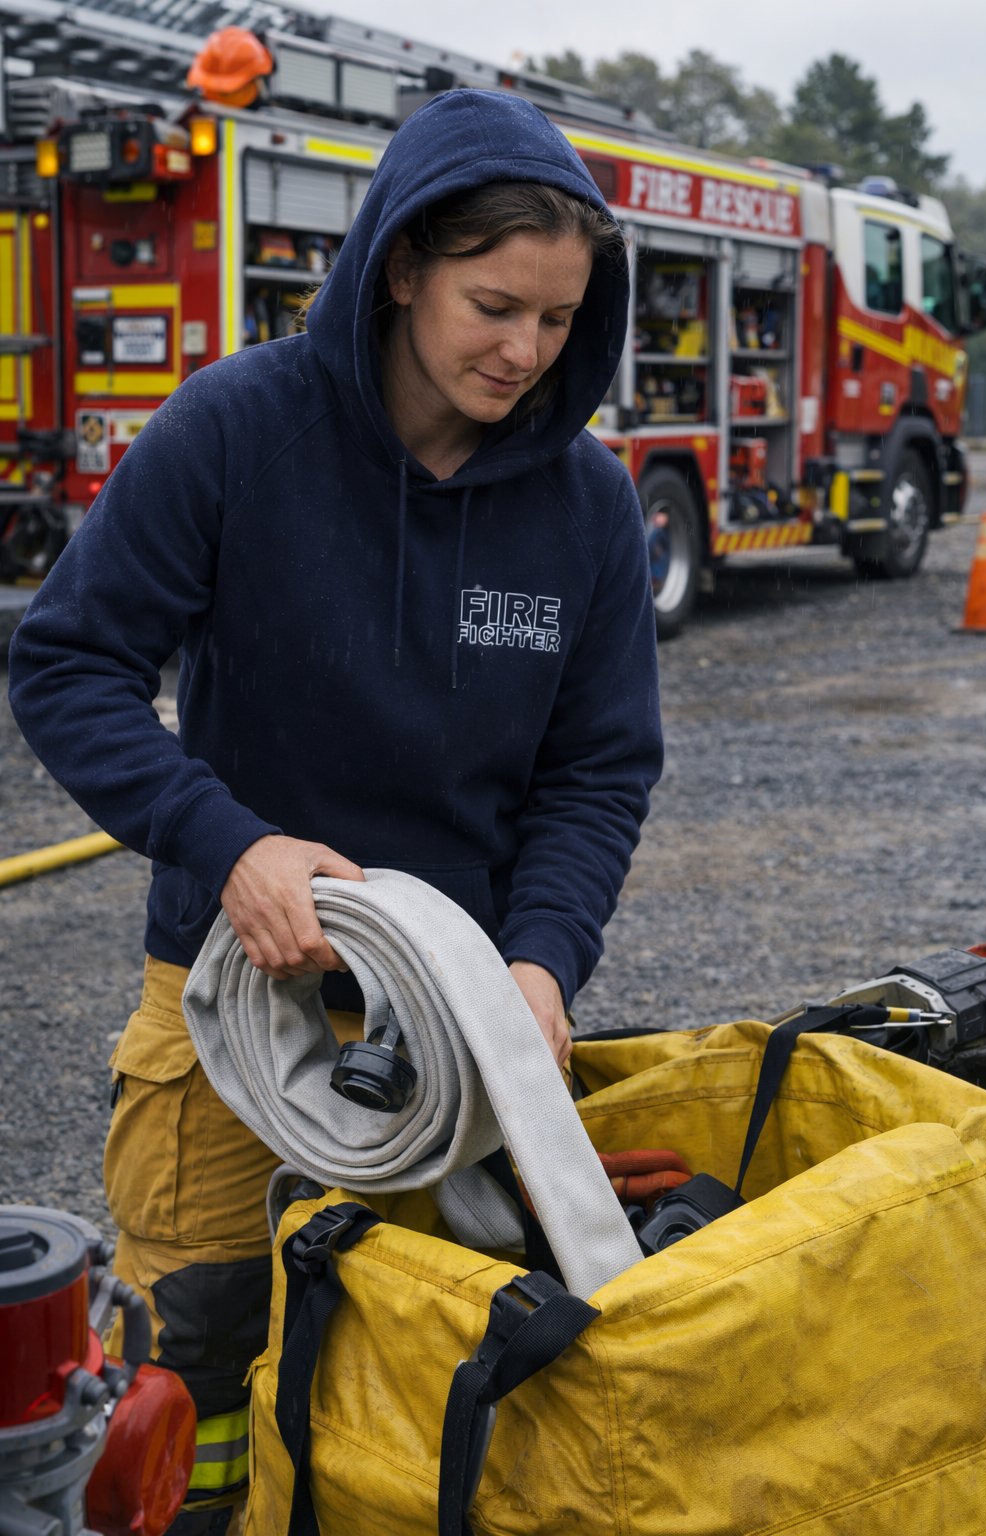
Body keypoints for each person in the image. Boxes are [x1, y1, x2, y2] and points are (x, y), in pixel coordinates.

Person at [8, 88, 662, 1530]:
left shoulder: (589, 508)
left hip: (462, 1025)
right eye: (495, 305)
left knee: (427, 1359)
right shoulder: (239, 431)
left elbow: (598, 769)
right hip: (231, 1007)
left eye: (557, 321)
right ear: (404, 262)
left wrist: (544, 963)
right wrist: (225, 842)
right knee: (200, 1370)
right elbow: (66, 664)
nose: (525, 352)